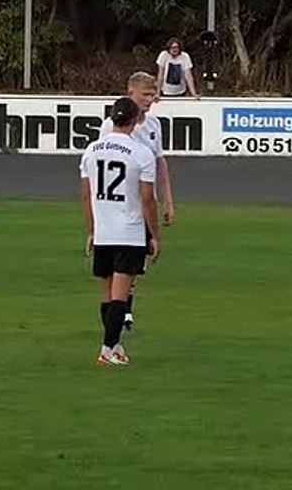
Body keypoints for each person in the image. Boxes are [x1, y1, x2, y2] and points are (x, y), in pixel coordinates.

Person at [81, 97, 161, 366]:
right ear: (136, 120)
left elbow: (86, 195)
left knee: (108, 295)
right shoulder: (141, 153)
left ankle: (115, 346)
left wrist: (91, 230)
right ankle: (106, 350)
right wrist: (155, 235)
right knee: (120, 296)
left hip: (103, 230)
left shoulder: (92, 150)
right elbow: (148, 199)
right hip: (129, 231)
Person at [97, 72, 174, 331]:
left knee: (136, 259)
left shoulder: (154, 126)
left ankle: (124, 310)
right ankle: (121, 314)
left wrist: (167, 200)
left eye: (153, 95)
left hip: (145, 202)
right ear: (130, 93)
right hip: (121, 205)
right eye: (145, 95)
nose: (150, 100)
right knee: (123, 260)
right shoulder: (111, 126)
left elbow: (159, 162)